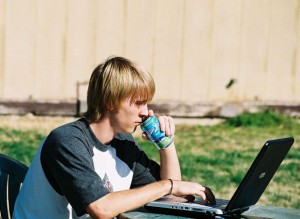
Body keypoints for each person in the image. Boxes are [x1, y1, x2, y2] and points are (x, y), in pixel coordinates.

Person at [13, 56, 215, 219]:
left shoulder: (123, 144)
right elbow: (101, 209)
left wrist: (166, 143)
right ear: (110, 101)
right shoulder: (67, 141)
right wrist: (168, 186)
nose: (146, 112)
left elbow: (170, 194)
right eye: (138, 103)